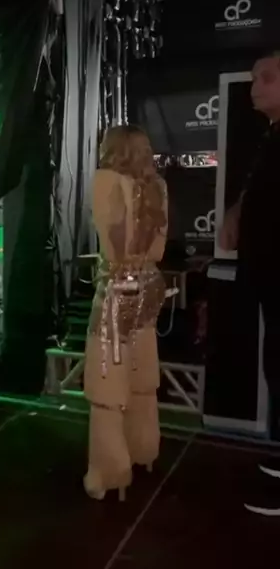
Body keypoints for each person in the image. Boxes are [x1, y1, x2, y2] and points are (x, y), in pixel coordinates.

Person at [83, 125, 168, 502]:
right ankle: (143, 449)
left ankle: (109, 471)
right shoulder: (157, 187)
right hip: (150, 282)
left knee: (106, 377)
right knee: (140, 369)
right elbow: (157, 246)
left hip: (119, 286)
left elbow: (116, 244)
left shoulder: (107, 181)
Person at [220, 52, 280, 515]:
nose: (255, 86)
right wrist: (237, 212)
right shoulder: (271, 136)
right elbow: (260, 190)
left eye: (267, 78)